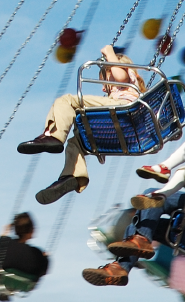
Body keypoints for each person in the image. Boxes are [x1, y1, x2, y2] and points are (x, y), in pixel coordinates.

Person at [17, 46, 147, 204]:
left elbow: (120, 76)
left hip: (122, 109)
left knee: (67, 100)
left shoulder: (126, 78)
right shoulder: (126, 91)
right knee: (75, 142)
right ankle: (72, 176)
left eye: (104, 80)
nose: (103, 87)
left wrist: (109, 53)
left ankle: (54, 136)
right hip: (123, 131)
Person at [0, 213, 50, 278]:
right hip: (25, 280)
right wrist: (45, 258)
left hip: (1, 279)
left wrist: (4, 234)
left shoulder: (5, 245)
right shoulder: (36, 254)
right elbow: (43, 270)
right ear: (31, 231)